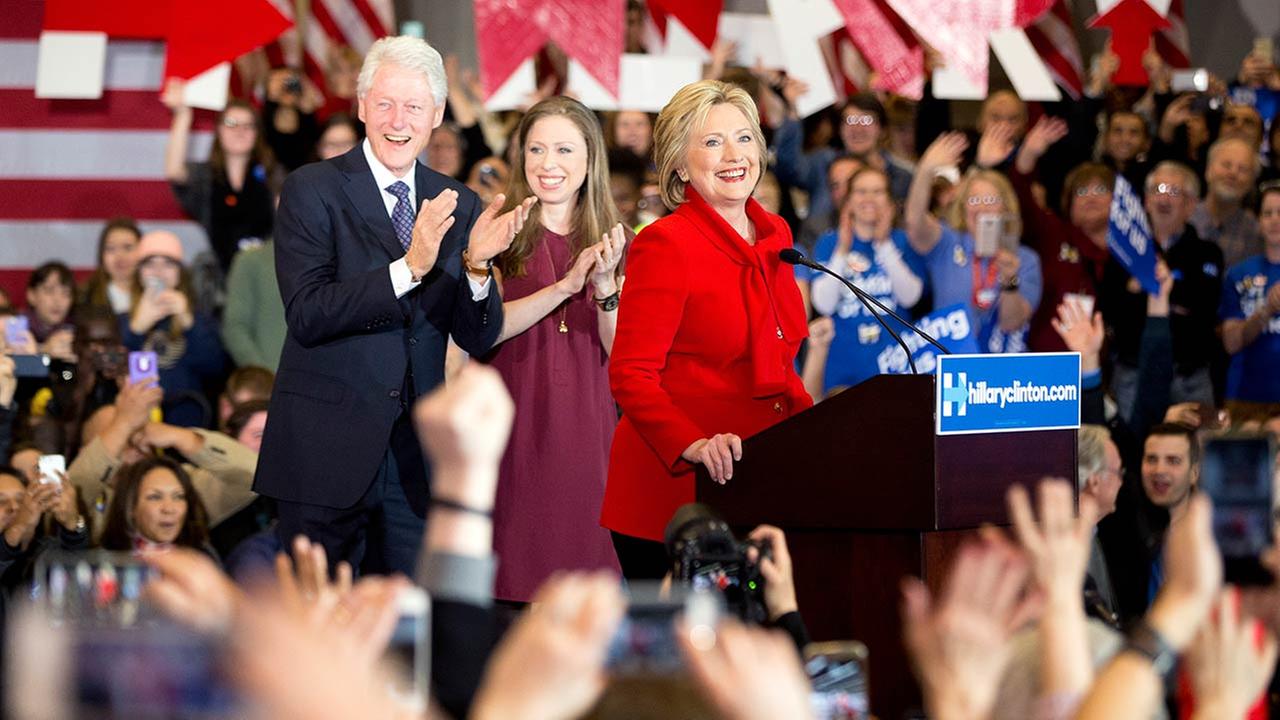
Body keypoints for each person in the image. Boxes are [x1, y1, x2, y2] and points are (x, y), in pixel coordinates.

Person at [254, 35, 535, 577]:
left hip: (415, 463)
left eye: (413, 106)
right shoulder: (312, 189)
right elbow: (308, 313)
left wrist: (477, 268)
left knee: (409, 638)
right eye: (384, 103)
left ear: (435, 116)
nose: (397, 120)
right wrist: (410, 267)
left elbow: (476, 336)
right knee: (317, 630)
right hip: (324, 456)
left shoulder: (458, 200)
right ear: (361, 107)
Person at [602, 79, 812, 579]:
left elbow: (781, 362)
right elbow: (630, 374)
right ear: (679, 163)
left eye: (743, 138)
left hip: (762, 482)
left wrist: (818, 433)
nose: (732, 154)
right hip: (676, 498)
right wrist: (692, 443)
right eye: (712, 142)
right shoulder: (666, 245)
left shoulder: (775, 235)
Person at [481, 97, 625, 602]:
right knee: (514, 588)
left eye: (564, 149)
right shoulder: (501, 232)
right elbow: (485, 330)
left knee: (586, 592)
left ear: (589, 160)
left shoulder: (616, 239)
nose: (548, 164)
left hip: (588, 430)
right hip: (516, 426)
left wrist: (605, 287)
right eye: (536, 149)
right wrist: (564, 288)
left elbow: (620, 353)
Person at [1101, 161, 1224, 422]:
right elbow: (1111, 309)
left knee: (1198, 451)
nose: (1164, 197)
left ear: (1191, 205)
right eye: (1158, 189)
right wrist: (1167, 299)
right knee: (1135, 448)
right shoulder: (1123, 253)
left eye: (1174, 191)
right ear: (1145, 201)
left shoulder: (1207, 252)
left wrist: (1147, 289)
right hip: (1134, 372)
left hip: (1190, 375)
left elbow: (1204, 308)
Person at [905, 133, 1043, 353]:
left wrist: (1009, 281)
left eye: (990, 200)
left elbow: (1011, 323)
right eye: (974, 200)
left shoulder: (1024, 258)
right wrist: (925, 171)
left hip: (1002, 372)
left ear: (1006, 207)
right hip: (950, 365)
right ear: (962, 208)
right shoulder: (947, 243)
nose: (982, 207)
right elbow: (915, 224)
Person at [807, 166, 926, 393]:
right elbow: (823, 304)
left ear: (890, 201)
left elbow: (910, 297)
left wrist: (884, 245)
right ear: (848, 200)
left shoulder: (903, 241)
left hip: (894, 364)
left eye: (878, 191)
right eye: (861, 191)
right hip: (842, 365)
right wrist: (842, 249)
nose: (869, 198)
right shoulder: (829, 242)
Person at [163, 85, 277, 274]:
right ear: (219, 130)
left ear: (257, 133)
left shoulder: (273, 177)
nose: (239, 131)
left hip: (268, 279)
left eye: (248, 125)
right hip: (222, 283)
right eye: (231, 123)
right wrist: (183, 115)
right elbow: (174, 171)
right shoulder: (206, 178)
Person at [121, 231, 225, 428]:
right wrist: (136, 329)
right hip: (136, 423)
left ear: (180, 273)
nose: (159, 272)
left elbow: (214, 368)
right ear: (139, 273)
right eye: (150, 264)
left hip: (188, 423)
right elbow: (113, 372)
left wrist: (189, 323)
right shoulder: (123, 320)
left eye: (168, 264)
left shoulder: (199, 318)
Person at [1220, 182, 1280, 416]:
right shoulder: (1238, 273)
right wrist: (1267, 310)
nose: (1275, 220)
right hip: (1245, 396)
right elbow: (1231, 343)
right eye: (1267, 213)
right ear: (1258, 222)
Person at [99, 456, 213, 556]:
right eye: (155, 497)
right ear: (130, 507)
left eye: (178, 497)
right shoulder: (106, 565)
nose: (169, 509)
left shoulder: (202, 558)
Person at [1191, 137, 1263, 269]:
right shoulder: (1182, 217)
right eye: (1226, 165)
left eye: (1242, 169)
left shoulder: (1257, 234)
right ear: (1208, 170)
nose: (1233, 173)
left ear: (1252, 182)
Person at [79, 217, 141, 316]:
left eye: (127, 247)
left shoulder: (152, 295)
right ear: (101, 255)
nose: (120, 256)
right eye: (111, 249)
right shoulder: (84, 296)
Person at [23, 262, 76, 364]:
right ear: (31, 295)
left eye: (66, 293)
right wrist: (42, 352)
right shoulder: (15, 327)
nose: (57, 300)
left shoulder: (77, 330)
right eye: (49, 291)